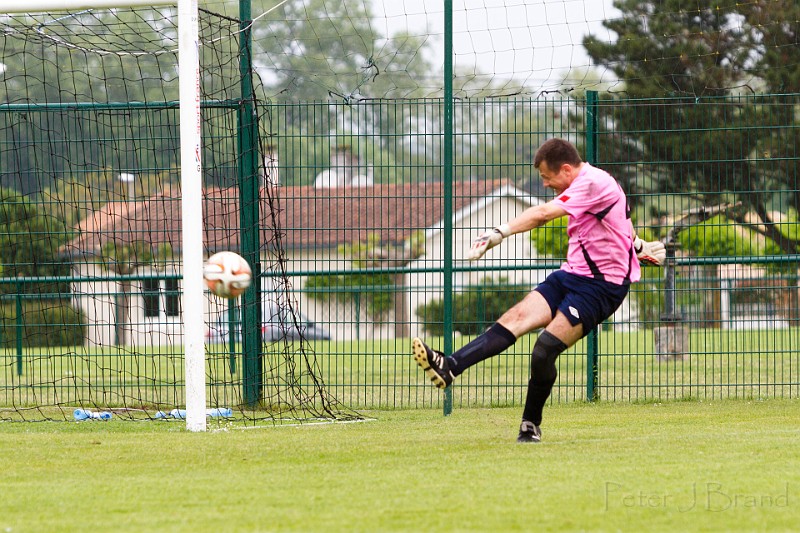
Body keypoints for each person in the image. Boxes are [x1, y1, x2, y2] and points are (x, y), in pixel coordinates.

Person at [411, 138, 665, 443]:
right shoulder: (590, 184)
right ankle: (450, 366)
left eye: (547, 177)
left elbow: (543, 214)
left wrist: (499, 232)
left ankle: (530, 425)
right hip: (570, 275)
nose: (545, 184)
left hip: (601, 287)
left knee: (544, 349)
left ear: (567, 169)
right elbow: (618, 222)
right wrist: (638, 247)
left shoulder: (593, 183)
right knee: (515, 317)